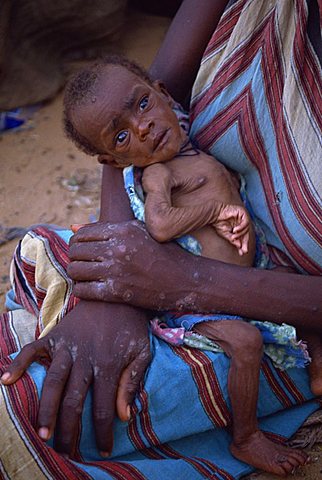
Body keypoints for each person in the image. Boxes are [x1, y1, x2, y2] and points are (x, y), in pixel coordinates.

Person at [0, 0, 321, 478]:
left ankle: (244, 434)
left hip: (260, 298)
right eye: (124, 136)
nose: (144, 126)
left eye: (146, 107)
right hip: (174, 292)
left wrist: (172, 280)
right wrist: (114, 298)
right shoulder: (159, 165)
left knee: (42, 414)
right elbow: (130, 103)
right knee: (47, 371)